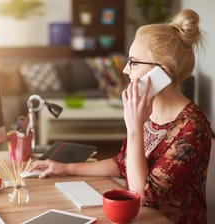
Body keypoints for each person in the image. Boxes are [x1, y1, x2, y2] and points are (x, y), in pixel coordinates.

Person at [29, 9, 212, 224]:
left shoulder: (193, 126)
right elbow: (123, 163)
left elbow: (143, 195)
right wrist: (65, 168)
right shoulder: (148, 109)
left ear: (162, 73)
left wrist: (134, 127)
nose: (125, 70)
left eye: (133, 62)